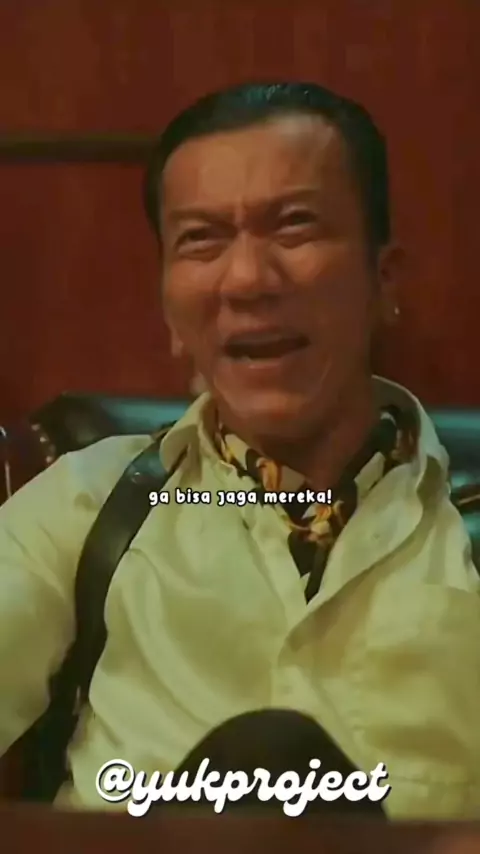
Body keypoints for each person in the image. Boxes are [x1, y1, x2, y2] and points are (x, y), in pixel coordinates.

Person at [0, 81, 479, 819]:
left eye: (294, 227)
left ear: (382, 278)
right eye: (201, 239)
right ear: (169, 309)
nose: (249, 280)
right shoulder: (90, 507)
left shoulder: (465, 531)